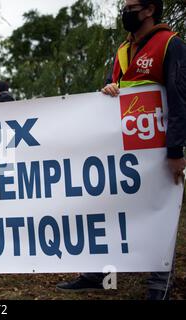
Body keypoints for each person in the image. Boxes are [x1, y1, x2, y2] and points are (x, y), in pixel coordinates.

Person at [56, 0, 185, 300]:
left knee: (159, 209)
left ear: (150, 9)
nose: (125, 11)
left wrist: (175, 151)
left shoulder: (171, 44)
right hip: (121, 149)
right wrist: (108, 89)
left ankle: (159, 281)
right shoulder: (122, 50)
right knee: (110, 210)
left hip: (156, 148)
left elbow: (180, 100)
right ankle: (101, 274)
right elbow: (110, 88)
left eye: (131, 6)